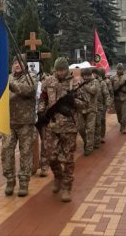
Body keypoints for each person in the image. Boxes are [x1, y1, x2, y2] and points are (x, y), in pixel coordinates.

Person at [37, 57, 88, 202]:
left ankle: (67, 187)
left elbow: (85, 104)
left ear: (67, 69)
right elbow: (42, 98)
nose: (60, 72)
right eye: (57, 70)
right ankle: (58, 176)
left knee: (68, 159)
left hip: (69, 126)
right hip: (52, 126)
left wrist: (73, 101)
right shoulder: (49, 82)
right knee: (50, 156)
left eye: (62, 70)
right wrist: (41, 112)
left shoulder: (76, 83)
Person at [2, 57, 38, 197]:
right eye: (15, 63)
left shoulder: (31, 77)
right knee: (6, 152)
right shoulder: (8, 77)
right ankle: (10, 180)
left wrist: (10, 83)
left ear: (25, 65)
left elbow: (28, 90)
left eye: (20, 63)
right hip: (9, 122)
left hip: (25, 123)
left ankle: (24, 182)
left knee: (25, 153)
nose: (17, 65)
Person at [78, 68, 99, 156]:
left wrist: (84, 85)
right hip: (81, 109)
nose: (86, 77)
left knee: (90, 129)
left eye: (87, 75)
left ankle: (89, 148)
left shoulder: (95, 82)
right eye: (84, 76)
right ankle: (87, 142)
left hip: (91, 109)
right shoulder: (79, 82)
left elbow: (93, 91)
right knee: (81, 128)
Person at [111, 63, 126, 134]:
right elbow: (111, 89)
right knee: (119, 114)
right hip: (117, 99)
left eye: (121, 68)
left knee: (125, 114)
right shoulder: (113, 78)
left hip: (125, 98)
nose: (119, 70)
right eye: (118, 68)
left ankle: (123, 128)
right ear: (116, 69)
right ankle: (121, 123)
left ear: (123, 69)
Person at [93, 68, 110, 147]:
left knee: (100, 121)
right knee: (94, 123)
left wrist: (107, 104)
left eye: (94, 73)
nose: (93, 75)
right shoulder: (89, 82)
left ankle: (101, 136)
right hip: (91, 106)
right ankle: (95, 138)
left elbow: (106, 94)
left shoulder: (102, 83)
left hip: (101, 106)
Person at [99, 68, 113, 143]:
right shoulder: (96, 81)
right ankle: (98, 135)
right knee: (99, 120)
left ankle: (102, 135)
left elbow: (110, 92)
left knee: (102, 119)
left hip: (104, 103)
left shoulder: (107, 81)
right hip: (97, 103)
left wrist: (109, 103)